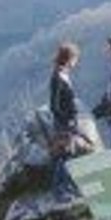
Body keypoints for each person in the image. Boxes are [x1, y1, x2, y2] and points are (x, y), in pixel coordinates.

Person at [48, 42, 83, 201]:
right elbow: (54, 106)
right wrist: (67, 122)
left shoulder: (64, 74)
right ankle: (59, 191)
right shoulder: (57, 77)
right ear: (69, 59)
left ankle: (68, 187)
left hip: (69, 122)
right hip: (63, 124)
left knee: (68, 156)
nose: (77, 62)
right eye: (76, 59)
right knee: (63, 157)